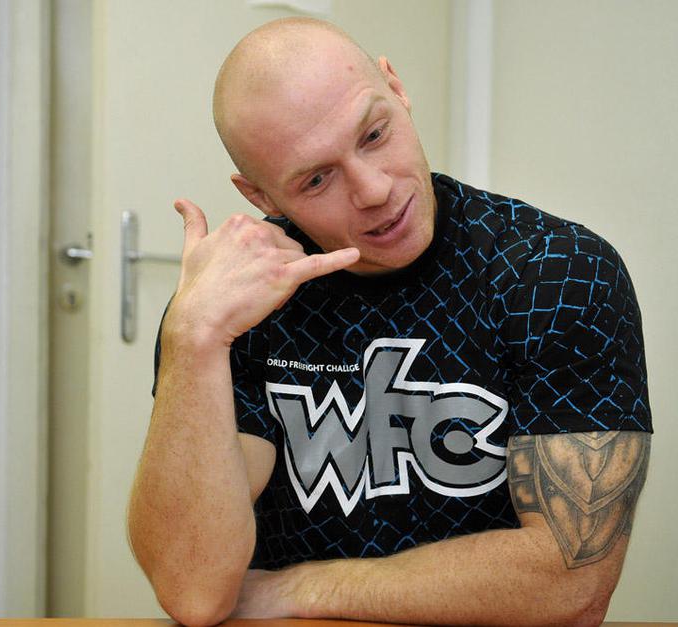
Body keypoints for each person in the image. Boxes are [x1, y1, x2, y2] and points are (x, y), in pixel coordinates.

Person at [127, 16, 652, 627]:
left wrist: (303, 589)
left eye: (374, 134)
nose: (373, 189)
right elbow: (193, 590)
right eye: (316, 179)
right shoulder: (237, 309)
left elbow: (573, 581)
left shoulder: (555, 271)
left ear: (397, 90)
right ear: (262, 197)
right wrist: (192, 337)